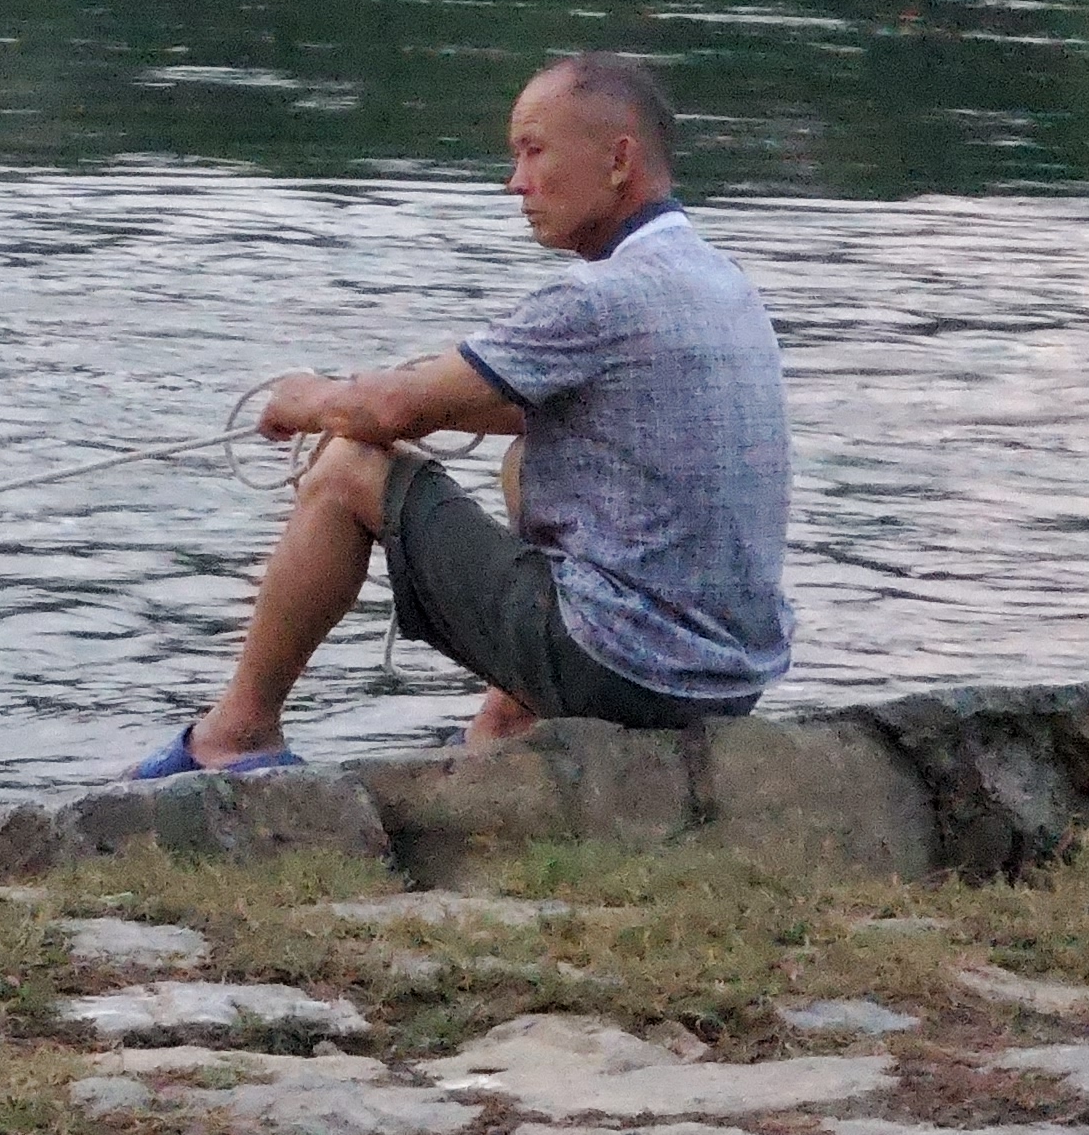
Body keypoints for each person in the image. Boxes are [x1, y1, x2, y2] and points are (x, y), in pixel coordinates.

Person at [133, 51, 791, 776]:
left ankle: (237, 734)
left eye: (533, 151)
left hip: (626, 672)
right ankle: (505, 724)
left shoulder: (600, 297)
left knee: (349, 465)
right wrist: (396, 396)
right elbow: (522, 400)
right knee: (528, 456)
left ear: (618, 159)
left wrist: (309, 398)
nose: (517, 182)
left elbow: (386, 413)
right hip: (729, 685)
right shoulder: (722, 282)